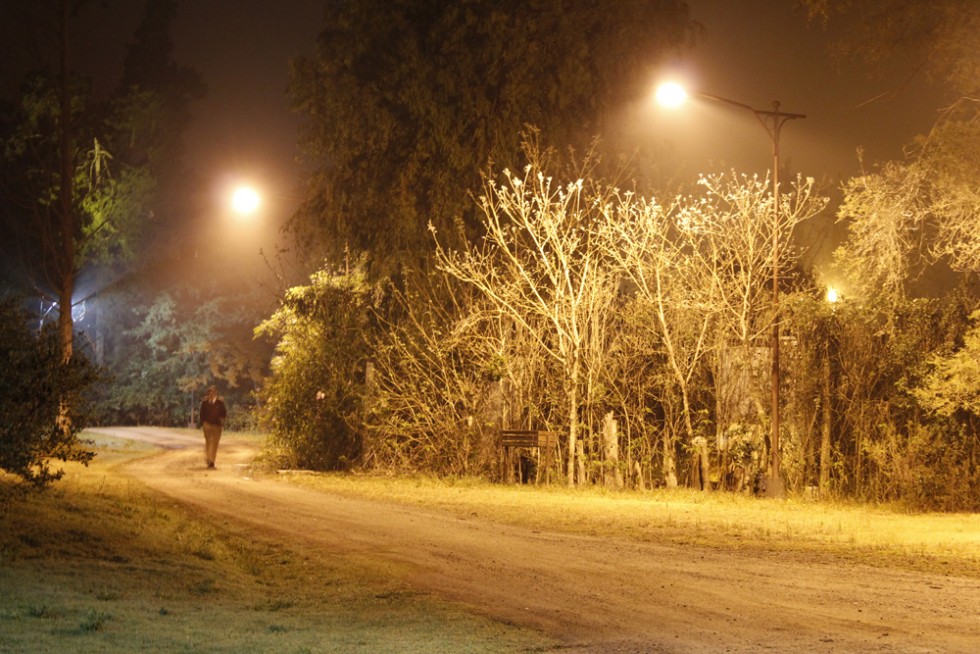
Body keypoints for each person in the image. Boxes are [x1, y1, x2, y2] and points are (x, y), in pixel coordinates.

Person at [198, 385, 227, 468]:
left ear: (215, 393)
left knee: (215, 443)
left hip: (217, 426)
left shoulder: (220, 402)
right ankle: (208, 458)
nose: (211, 395)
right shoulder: (204, 402)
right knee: (208, 442)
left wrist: (221, 419)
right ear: (208, 394)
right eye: (210, 393)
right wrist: (203, 423)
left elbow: (224, 413)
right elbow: (201, 414)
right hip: (207, 425)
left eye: (213, 393)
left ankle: (212, 460)